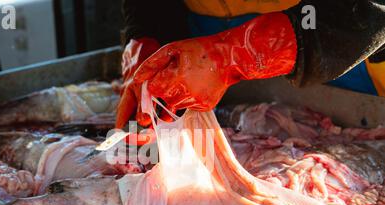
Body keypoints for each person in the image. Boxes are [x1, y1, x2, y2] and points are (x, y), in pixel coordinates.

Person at [115, 0, 385, 129]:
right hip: (202, 33)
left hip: (347, 45)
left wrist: (230, 55)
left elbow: (368, 10)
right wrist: (146, 37)